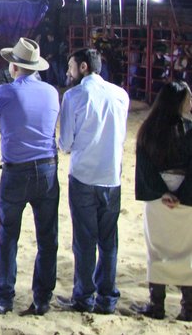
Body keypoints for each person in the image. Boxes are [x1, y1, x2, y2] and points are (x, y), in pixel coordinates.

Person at [0, 38, 60, 316]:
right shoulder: (51, 92)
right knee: (47, 238)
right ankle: (42, 298)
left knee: (8, 236)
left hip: (16, 171)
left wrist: (8, 125)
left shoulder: (5, 91)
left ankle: (5, 297)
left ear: (14, 66)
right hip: (47, 169)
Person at [56, 47, 129, 314]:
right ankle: (107, 298)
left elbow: (66, 143)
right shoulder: (120, 94)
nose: (68, 72)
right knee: (108, 242)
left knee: (85, 241)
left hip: (84, 176)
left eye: (71, 67)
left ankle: (84, 297)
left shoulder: (73, 96)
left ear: (83, 67)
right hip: (111, 177)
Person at [132, 81, 192, 321]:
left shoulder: (149, 129)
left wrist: (160, 191)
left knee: (156, 250)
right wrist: (182, 193)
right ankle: (188, 307)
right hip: (185, 197)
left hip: (158, 198)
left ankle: (156, 305)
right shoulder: (189, 130)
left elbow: (144, 165)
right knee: (187, 251)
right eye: (188, 99)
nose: (191, 103)